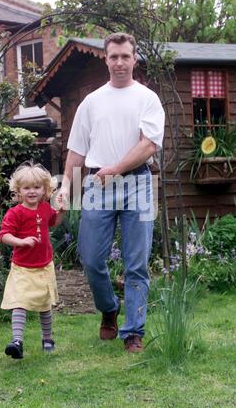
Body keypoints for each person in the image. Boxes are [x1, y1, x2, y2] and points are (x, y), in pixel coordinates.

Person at [58, 32, 165, 353]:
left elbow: (148, 145)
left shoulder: (148, 98)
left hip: (139, 184)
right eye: (113, 56)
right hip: (96, 185)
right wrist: (65, 189)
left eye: (125, 56)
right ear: (106, 59)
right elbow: (76, 152)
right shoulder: (91, 102)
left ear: (134, 60)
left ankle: (134, 332)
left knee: (137, 263)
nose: (119, 62)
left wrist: (116, 168)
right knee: (90, 258)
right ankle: (109, 309)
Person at [0, 161, 65, 359]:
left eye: (37, 187)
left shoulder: (45, 208)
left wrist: (61, 211)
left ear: (45, 189)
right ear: (18, 191)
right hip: (22, 268)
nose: (32, 191)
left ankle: (47, 339)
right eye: (26, 188)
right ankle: (17, 342)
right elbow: (4, 235)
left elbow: (54, 222)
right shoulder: (15, 212)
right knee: (19, 302)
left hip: (44, 266)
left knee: (44, 305)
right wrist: (21, 241)